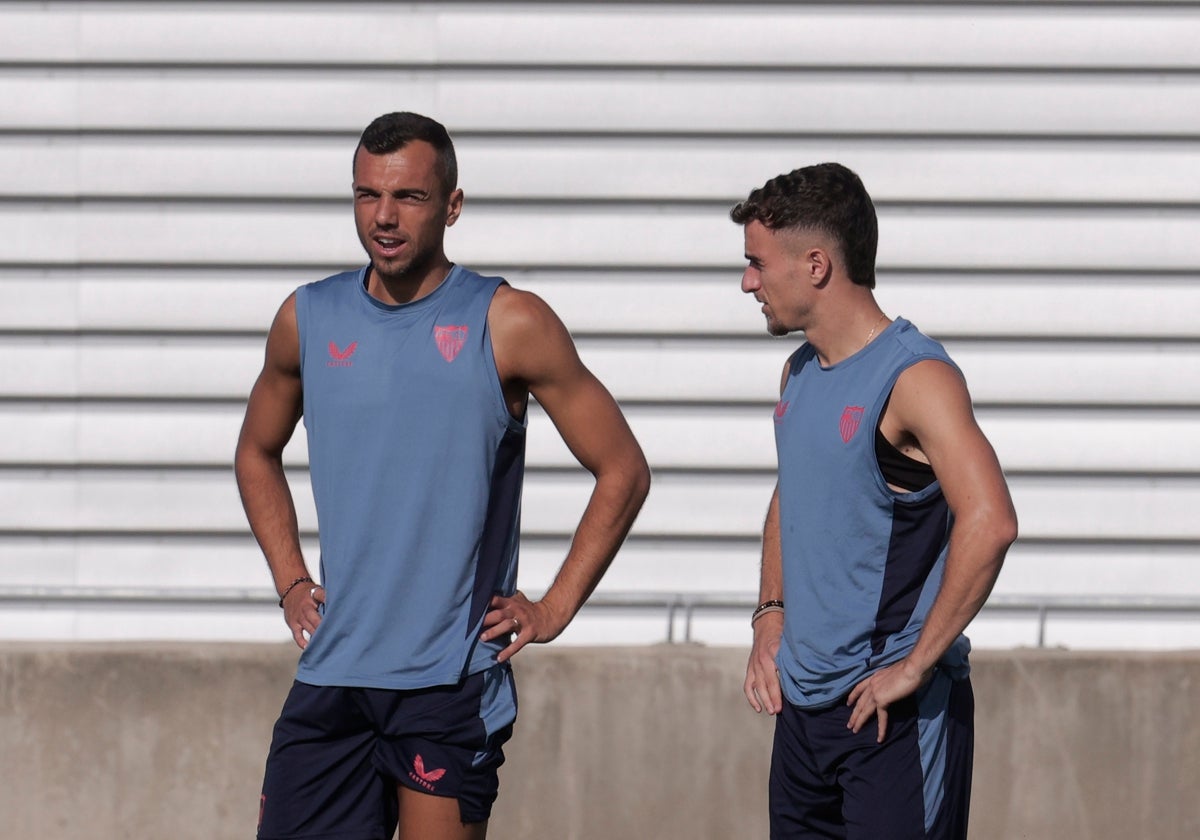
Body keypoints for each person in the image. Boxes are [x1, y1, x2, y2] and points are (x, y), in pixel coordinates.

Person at [235, 111, 651, 840]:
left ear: (452, 206)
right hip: (332, 675)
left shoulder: (509, 322)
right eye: (368, 196)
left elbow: (623, 469)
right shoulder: (308, 317)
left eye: (409, 198)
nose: (384, 218)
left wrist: (553, 608)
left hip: (446, 683)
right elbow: (255, 452)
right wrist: (292, 581)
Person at [732, 163, 1018, 839]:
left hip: (890, 717)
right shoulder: (799, 371)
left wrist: (915, 665)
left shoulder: (914, 376)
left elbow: (992, 520)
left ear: (816, 264)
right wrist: (770, 614)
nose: (748, 282)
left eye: (756, 264)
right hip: (802, 719)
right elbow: (792, 493)